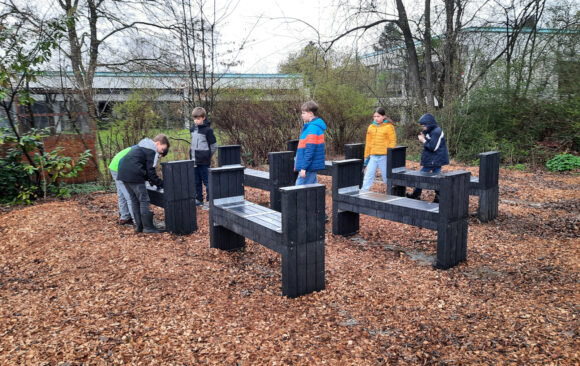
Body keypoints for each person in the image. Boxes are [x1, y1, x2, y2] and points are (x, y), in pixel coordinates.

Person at [118, 134, 169, 233]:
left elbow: (142, 166)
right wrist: (160, 183)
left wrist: (151, 180)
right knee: (144, 200)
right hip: (134, 175)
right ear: (158, 143)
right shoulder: (151, 150)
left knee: (134, 200)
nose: (161, 152)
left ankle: (139, 226)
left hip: (123, 173)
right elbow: (151, 171)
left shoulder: (141, 146)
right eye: (162, 149)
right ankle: (148, 227)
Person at [406, 113, 449, 203]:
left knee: (421, 176)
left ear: (429, 124)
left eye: (424, 126)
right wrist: (424, 135)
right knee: (436, 178)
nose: (423, 128)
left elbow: (433, 147)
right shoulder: (431, 130)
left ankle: (416, 194)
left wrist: (423, 140)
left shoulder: (437, 131)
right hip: (432, 159)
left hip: (435, 159)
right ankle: (439, 196)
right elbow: (430, 140)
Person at [361, 107, 397, 192]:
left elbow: (393, 141)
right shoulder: (371, 127)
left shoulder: (389, 127)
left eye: (378, 116)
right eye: (374, 116)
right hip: (373, 156)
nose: (376, 118)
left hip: (384, 156)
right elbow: (368, 142)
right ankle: (363, 192)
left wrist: (389, 154)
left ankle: (392, 193)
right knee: (368, 176)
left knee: (386, 177)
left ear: (383, 116)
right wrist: (366, 155)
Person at [190, 107, 218, 209]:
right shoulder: (192, 129)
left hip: (204, 162)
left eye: (198, 118)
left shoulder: (208, 131)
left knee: (207, 182)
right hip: (194, 161)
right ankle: (199, 199)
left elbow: (214, 146)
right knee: (196, 181)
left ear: (203, 118)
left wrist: (208, 156)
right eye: (194, 118)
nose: (196, 121)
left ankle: (209, 202)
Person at [294, 100, 327, 185]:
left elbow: (310, 150)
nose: (302, 115)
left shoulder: (313, 128)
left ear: (311, 114)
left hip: (308, 167)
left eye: (304, 113)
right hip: (309, 166)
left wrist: (304, 168)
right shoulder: (312, 127)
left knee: (298, 191)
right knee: (312, 191)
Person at [109, 145, 136, 225]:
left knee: (121, 193)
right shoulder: (144, 151)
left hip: (114, 166)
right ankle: (136, 221)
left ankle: (125, 217)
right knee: (129, 195)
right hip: (119, 168)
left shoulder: (140, 147)